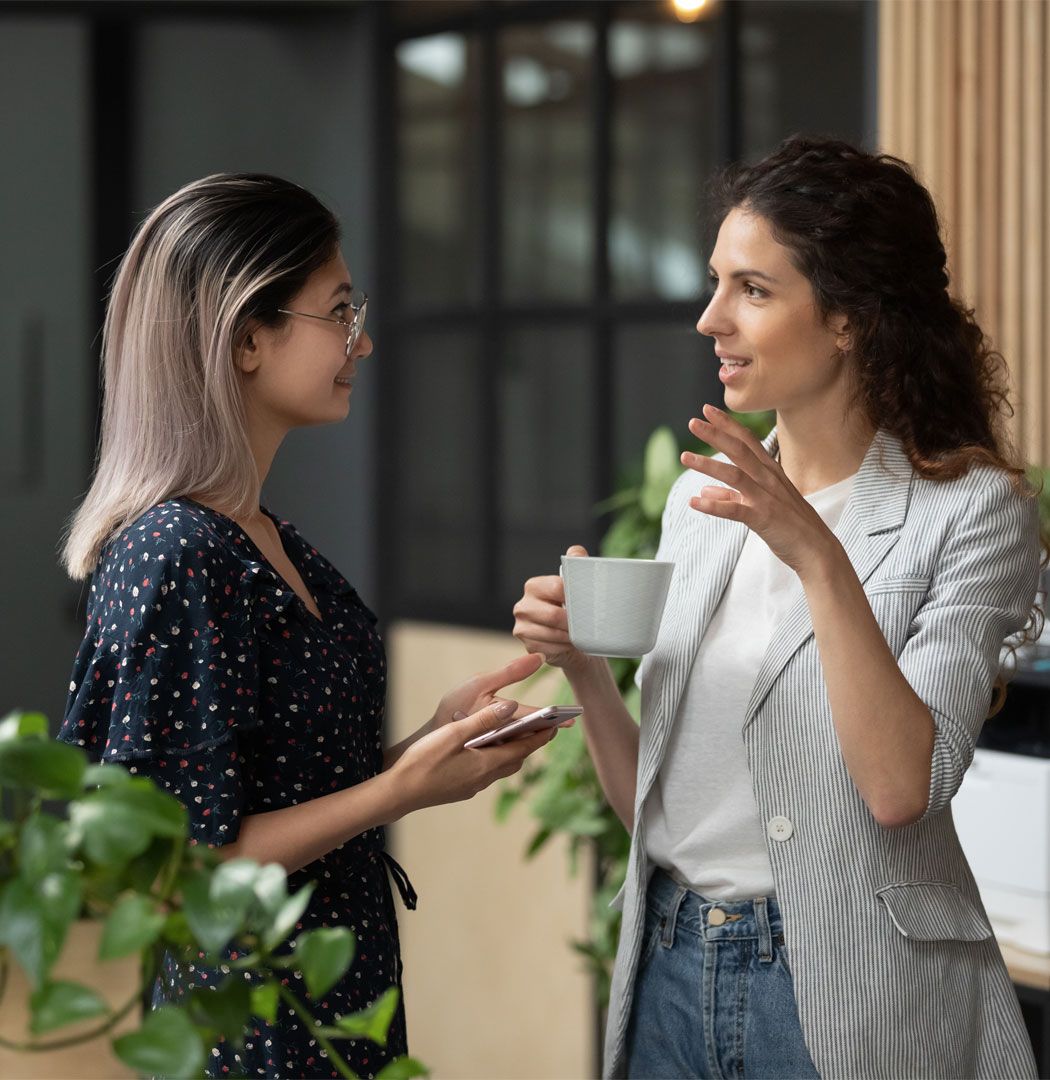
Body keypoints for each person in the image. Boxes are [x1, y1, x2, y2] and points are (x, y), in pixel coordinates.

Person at [513, 135, 1044, 1079]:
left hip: (846, 992)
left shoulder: (972, 513)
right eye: (717, 283)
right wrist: (586, 673)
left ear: (847, 318)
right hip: (670, 971)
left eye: (753, 290)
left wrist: (812, 551)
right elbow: (658, 814)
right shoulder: (700, 500)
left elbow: (898, 790)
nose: (712, 318)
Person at [58, 173, 555, 1080]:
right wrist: (398, 790)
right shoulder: (176, 550)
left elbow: (276, 792)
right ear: (249, 338)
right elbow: (182, 864)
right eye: (339, 310)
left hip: (336, 1002)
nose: (362, 340)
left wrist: (426, 745)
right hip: (260, 1028)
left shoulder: (265, 538)